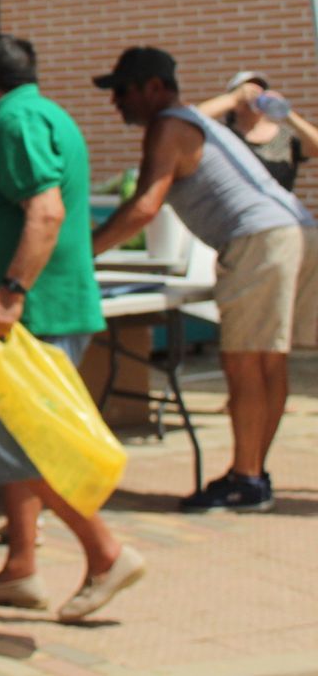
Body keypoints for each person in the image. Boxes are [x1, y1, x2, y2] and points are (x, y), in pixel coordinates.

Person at [0, 35, 145, 622]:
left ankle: (106, 554)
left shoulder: (16, 121)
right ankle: (22, 569)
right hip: (28, 313)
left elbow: (47, 209)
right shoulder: (37, 113)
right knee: (16, 446)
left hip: (30, 317)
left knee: (35, 445)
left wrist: (10, 293)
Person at [92, 46, 318, 511]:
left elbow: (144, 206)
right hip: (297, 230)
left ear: (154, 88)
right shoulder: (199, 121)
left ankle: (247, 479)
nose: (116, 103)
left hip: (259, 239)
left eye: (124, 92)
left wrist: (79, 253)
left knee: (243, 363)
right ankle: (252, 475)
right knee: (268, 361)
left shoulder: (169, 124)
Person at [196, 70, 318, 191]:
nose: (255, 94)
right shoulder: (224, 134)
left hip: (277, 207)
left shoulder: (285, 137)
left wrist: (285, 112)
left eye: (260, 90)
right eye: (248, 90)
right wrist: (233, 99)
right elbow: (191, 119)